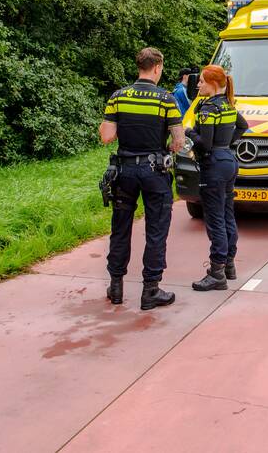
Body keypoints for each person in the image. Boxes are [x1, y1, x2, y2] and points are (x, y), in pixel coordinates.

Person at [100, 47, 186, 310]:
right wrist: (169, 146)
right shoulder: (166, 99)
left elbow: (106, 136)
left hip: (124, 172)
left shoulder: (118, 96)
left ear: (139, 66)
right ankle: (150, 290)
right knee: (156, 229)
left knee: (120, 227)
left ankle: (116, 287)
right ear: (157, 67)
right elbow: (179, 141)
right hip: (154, 171)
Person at [186, 65, 248, 291]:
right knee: (227, 213)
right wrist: (228, 143)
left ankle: (217, 272)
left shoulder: (208, 109)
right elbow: (243, 126)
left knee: (214, 219)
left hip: (213, 164)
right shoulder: (227, 105)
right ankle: (229, 264)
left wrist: (188, 132)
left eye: (202, 81)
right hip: (229, 161)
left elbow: (205, 143)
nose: (199, 85)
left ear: (212, 84)